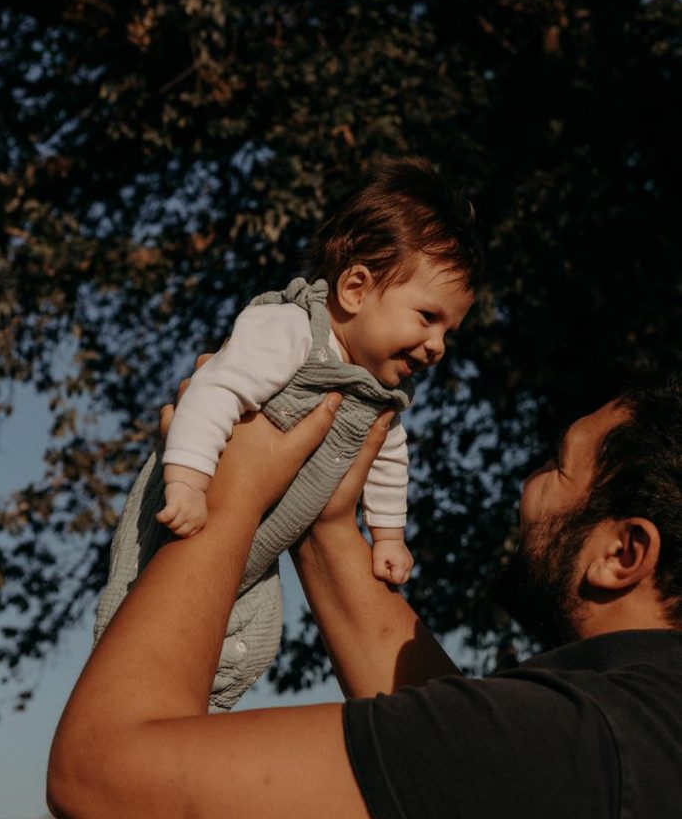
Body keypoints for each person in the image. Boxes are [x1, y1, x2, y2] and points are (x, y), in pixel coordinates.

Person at [48, 369, 682, 818]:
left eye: (557, 465)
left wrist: (231, 492)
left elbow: (100, 774)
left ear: (621, 554)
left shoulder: (579, 739)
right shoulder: (643, 732)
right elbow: (444, 765)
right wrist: (322, 521)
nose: (529, 485)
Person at [158, 156, 481, 587]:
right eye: (427, 317)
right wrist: (187, 484)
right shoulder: (292, 330)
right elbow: (214, 389)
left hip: (254, 563)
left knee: (244, 650)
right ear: (355, 289)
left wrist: (388, 537)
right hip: (187, 523)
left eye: (449, 333)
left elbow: (388, 458)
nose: (438, 346)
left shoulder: (378, 397)